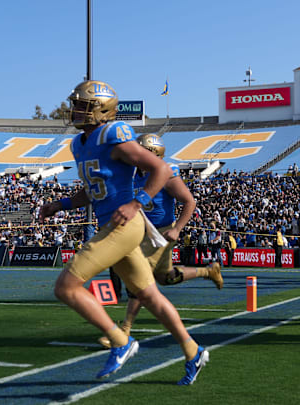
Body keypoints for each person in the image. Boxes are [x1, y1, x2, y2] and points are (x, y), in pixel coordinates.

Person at [39, 80, 207, 384]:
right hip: (113, 224)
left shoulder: (112, 134)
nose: (75, 109)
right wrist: (60, 204)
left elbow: (162, 170)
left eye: (82, 105)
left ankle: (120, 341)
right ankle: (193, 350)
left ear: (101, 110)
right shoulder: (79, 144)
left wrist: (136, 202)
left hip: (124, 225)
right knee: (149, 295)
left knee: (66, 286)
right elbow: (94, 190)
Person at [97, 133, 223, 348]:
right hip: (140, 231)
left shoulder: (166, 173)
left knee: (140, 278)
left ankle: (123, 331)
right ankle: (208, 271)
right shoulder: (134, 174)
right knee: (165, 277)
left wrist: (177, 229)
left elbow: (189, 201)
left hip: (161, 233)